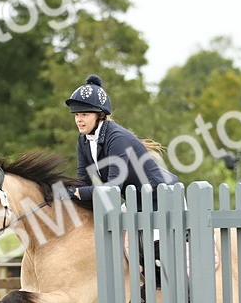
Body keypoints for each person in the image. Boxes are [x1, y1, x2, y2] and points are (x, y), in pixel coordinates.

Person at [65, 74, 177, 206]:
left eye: (84, 114)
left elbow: (114, 187)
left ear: (100, 115)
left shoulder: (117, 138)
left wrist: (79, 193)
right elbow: (83, 180)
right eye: (76, 114)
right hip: (136, 201)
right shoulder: (83, 139)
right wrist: (63, 190)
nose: (79, 119)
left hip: (163, 200)